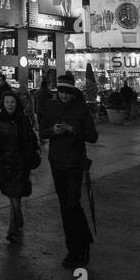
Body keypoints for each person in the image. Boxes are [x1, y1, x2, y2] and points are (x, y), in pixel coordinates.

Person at [40, 72, 98, 269]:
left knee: (72, 203)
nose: (63, 96)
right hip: (56, 161)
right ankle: (74, 249)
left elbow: (92, 136)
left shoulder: (81, 109)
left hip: (74, 162)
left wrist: (74, 130)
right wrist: (53, 131)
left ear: (72, 92)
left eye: (67, 92)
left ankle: (81, 245)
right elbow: (42, 130)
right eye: (61, 92)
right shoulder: (51, 106)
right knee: (65, 206)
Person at [0, 90, 40, 242]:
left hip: (21, 163)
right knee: (12, 194)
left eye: (12, 102)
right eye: (7, 102)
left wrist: (28, 155)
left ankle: (12, 229)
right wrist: (0, 158)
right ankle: (18, 217)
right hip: (6, 164)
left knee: (16, 194)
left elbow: (31, 139)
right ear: (3, 104)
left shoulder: (23, 120)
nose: (9, 105)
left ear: (16, 103)